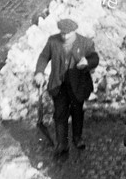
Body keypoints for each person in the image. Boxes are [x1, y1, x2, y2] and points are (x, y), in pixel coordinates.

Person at [34, 19, 99, 155]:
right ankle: (62, 144)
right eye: (62, 33)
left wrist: (87, 61)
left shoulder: (85, 42)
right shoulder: (53, 41)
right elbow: (44, 57)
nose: (64, 36)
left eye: (67, 34)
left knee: (77, 112)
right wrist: (39, 72)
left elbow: (95, 57)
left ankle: (77, 138)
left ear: (74, 31)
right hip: (59, 85)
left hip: (78, 85)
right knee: (60, 114)